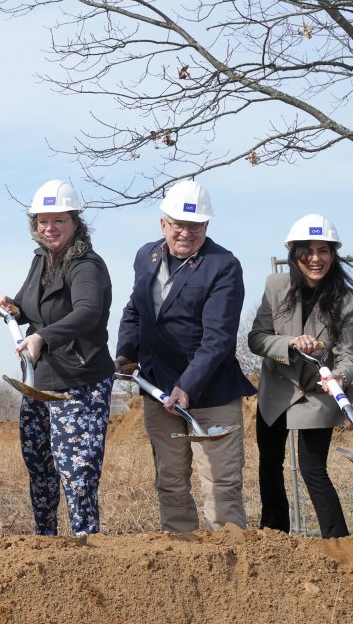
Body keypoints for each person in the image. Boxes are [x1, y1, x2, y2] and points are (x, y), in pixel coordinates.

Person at [114, 179, 254, 533]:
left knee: (221, 484)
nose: (186, 233)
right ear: (163, 223)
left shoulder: (223, 265)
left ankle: (228, 558)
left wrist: (188, 385)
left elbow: (218, 338)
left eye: (195, 226)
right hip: (158, 388)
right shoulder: (146, 256)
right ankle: (180, 554)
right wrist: (124, 354)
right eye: (178, 224)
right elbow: (136, 309)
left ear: (207, 226)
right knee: (171, 481)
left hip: (210, 393)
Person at [0, 181, 116, 536]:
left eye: (58, 220)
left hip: (79, 384)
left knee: (77, 474)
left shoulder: (86, 264)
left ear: (75, 221)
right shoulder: (41, 260)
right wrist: (10, 310)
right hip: (39, 382)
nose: (49, 228)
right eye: (42, 221)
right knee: (40, 469)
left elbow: (88, 312)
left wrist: (42, 337)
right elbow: (27, 307)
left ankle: (84, 544)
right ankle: (45, 543)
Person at [247, 214, 353, 538]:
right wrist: (290, 343)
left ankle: (338, 542)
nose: (315, 258)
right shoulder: (276, 286)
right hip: (278, 389)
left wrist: (340, 375)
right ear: (294, 255)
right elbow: (257, 338)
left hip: (316, 391)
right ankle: (274, 535)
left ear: (333, 254)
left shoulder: (348, 300)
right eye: (307, 251)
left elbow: (347, 353)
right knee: (269, 465)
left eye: (323, 250)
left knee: (313, 469)